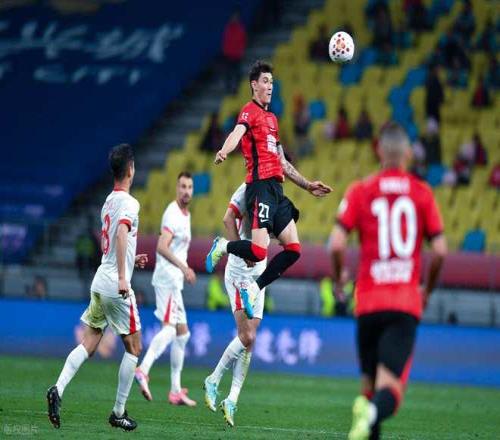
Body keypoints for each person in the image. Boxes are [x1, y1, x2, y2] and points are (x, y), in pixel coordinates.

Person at [330, 123, 447, 440]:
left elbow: (337, 244)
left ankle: (367, 412)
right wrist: (427, 289)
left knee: (369, 389)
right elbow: (439, 250)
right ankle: (370, 413)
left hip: (368, 302)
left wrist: (339, 278)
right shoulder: (422, 193)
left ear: (379, 151)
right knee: (390, 392)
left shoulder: (360, 190)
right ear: (408, 153)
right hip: (404, 303)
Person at [205, 60, 332, 319]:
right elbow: (237, 133)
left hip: (276, 190)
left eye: (272, 82)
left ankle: (254, 288)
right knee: (258, 252)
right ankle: (223, 246)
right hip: (259, 186)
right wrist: (224, 150)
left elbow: (283, 162)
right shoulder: (249, 111)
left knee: (294, 250)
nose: (270, 86)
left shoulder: (273, 119)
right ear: (254, 85)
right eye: (265, 81)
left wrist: (308, 185)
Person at [46, 144, 148, 431]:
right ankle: (118, 412)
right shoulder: (130, 203)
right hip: (115, 283)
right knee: (134, 347)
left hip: (101, 279)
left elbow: (114, 240)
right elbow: (121, 233)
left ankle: (58, 388)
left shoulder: (108, 202)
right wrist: (124, 277)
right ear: (130, 169)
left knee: (89, 342)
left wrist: (130, 260)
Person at [204, 183, 268, 427]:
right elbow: (227, 218)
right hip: (241, 272)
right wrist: (243, 252)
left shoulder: (274, 191)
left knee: (251, 340)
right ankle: (213, 379)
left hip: (259, 275)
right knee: (247, 335)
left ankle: (231, 399)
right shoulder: (248, 188)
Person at [134, 172, 197, 406]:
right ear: (176, 188)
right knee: (170, 330)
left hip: (174, 280)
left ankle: (175, 391)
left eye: (189, 187)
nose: (186, 191)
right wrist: (184, 267)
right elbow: (161, 246)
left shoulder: (186, 215)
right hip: (168, 278)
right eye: (182, 186)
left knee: (183, 334)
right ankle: (143, 369)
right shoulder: (172, 213)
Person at [222, 11, 247, 93]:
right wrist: (225, 52)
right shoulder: (228, 28)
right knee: (228, 73)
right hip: (228, 55)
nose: (234, 19)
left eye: (236, 17)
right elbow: (225, 41)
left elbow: (242, 42)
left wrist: (241, 52)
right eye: (233, 17)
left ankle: (236, 89)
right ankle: (228, 89)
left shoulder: (241, 29)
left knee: (237, 73)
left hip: (237, 55)